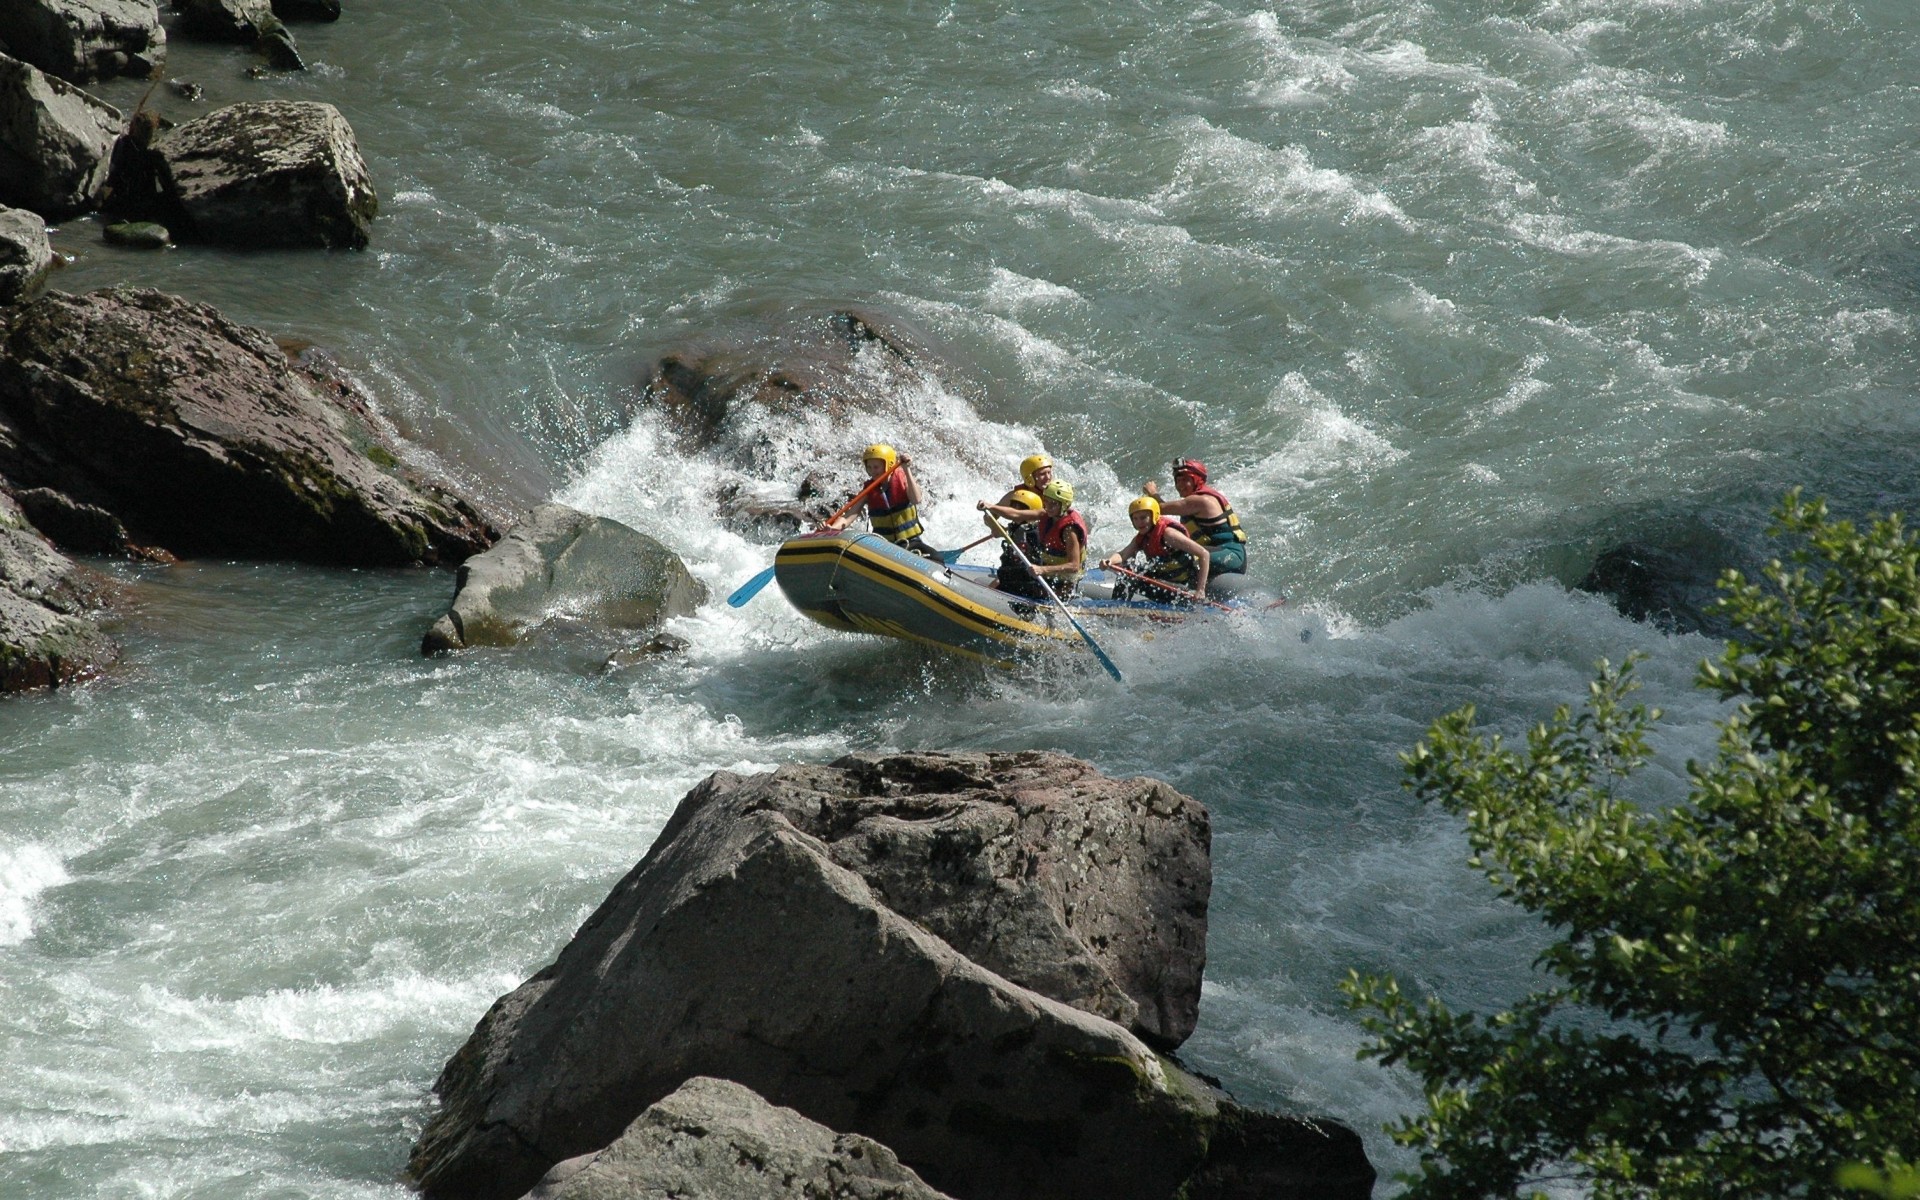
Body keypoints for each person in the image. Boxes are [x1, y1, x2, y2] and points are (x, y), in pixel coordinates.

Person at [977, 479, 1088, 598]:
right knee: (1010, 576)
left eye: (1054, 504)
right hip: (1048, 571)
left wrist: (1042, 570)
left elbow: (1074, 566)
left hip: (1065, 579)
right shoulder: (1046, 513)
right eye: (1047, 501)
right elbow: (1016, 514)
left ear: (1064, 505)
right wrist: (991, 507)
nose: (1049, 507)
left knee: (1036, 594)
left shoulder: (1069, 531)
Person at [828, 443, 937, 558]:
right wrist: (832, 529)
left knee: (936, 558)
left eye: (876, 467)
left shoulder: (903, 479)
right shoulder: (869, 490)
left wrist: (907, 469)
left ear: (889, 465)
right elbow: (849, 516)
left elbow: (916, 499)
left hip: (910, 541)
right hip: (883, 546)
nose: (872, 471)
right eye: (869, 467)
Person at [1143, 458, 1246, 577]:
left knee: (1181, 558)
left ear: (1197, 480)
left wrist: (1153, 493)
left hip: (1230, 556)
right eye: (1178, 480)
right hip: (1221, 554)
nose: (1180, 485)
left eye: (1185, 480)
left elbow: (1160, 508)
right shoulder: (1198, 499)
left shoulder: (1200, 500)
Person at [1101, 495, 1211, 603]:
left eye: (1143, 517)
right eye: (1135, 518)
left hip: (1183, 590)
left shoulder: (1169, 535)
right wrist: (1109, 561)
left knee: (1133, 577)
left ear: (1154, 515)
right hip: (1164, 582)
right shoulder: (1143, 537)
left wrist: (1200, 590)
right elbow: (1123, 555)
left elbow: (1204, 554)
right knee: (1129, 570)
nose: (1139, 522)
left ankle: (1118, 608)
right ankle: (1117, 605)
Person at [983, 454, 1052, 582]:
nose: (1048, 478)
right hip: (1023, 541)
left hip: (1043, 543)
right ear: (1030, 477)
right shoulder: (1016, 496)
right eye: (1042, 474)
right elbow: (989, 516)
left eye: (1049, 473)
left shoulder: (1053, 495)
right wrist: (996, 528)